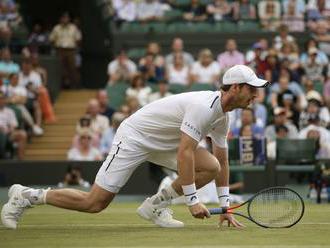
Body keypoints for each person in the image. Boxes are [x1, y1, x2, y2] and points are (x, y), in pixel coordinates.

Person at [1, 65, 268, 229]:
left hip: (167, 140)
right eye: (251, 88)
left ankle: (154, 206)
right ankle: (26, 196)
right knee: (94, 203)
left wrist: (226, 207)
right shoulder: (203, 107)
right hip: (135, 136)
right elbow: (184, 152)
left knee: (211, 165)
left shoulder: (224, 115)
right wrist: (193, 201)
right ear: (235, 88)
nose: (256, 94)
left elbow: (222, 159)